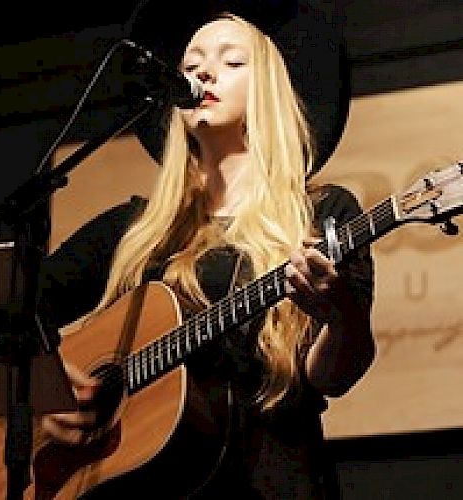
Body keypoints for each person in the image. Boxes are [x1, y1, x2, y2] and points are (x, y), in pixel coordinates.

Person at [36, 1, 375, 498]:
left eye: (231, 62)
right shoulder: (133, 230)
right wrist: (46, 391)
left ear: (269, 92)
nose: (202, 71)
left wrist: (340, 314)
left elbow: (333, 377)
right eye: (191, 66)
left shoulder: (324, 216)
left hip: (269, 482)